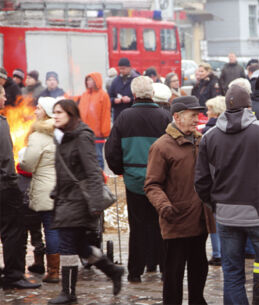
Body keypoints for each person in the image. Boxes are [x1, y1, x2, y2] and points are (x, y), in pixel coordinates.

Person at [48, 99, 124, 304]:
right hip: (65, 198)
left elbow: (92, 172)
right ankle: (113, 270)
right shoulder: (62, 136)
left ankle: (68, 292)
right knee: (80, 245)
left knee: (66, 245)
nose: (55, 115)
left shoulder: (82, 136)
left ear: (71, 114)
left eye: (59, 112)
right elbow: (63, 169)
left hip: (79, 200)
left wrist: (96, 204)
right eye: (54, 112)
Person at [144, 96, 215, 305]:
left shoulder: (200, 141)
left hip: (200, 218)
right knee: (173, 273)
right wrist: (164, 206)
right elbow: (152, 184)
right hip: (176, 219)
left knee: (199, 267)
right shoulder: (161, 147)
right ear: (177, 117)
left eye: (197, 115)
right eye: (193, 115)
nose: (197, 119)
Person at [195, 84, 259, 305]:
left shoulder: (209, 137)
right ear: (249, 106)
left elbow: (201, 182)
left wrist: (215, 204)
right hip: (255, 213)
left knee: (232, 274)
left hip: (225, 214)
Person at [105, 76, 172, 283]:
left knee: (138, 226)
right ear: (152, 93)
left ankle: (135, 271)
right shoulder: (164, 117)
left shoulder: (124, 117)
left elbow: (112, 150)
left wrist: (120, 170)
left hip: (134, 180)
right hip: (161, 181)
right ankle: (163, 268)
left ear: (133, 94)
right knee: (161, 224)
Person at [0, 84, 41, 289]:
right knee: (13, 231)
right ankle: (14, 275)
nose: (5, 99)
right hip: (5, 185)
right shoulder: (0, 123)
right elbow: (6, 157)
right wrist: (11, 182)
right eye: (2, 95)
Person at [20, 96, 60, 283]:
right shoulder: (61, 131)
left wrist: (22, 160)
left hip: (44, 188)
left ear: (44, 111)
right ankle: (57, 269)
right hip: (60, 187)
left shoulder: (38, 135)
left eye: (38, 108)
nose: (34, 111)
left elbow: (27, 164)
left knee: (49, 229)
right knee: (56, 229)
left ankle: (53, 271)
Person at [202, 96, 226, 266]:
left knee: (215, 219)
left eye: (209, 109)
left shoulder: (207, 132)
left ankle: (217, 252)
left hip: (213, 182)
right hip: (227, 181)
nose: (206, 112)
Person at [78, 72, 111, 170]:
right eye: (87, 80)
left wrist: (104, 131)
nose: (88, 82)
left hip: (97, 134)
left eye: (91, 80)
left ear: (96, 81)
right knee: (85, 156)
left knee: (98, 157)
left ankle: (100, 178)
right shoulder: (84, 95)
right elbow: (80, 112)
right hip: (84, 131)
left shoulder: (103, 96)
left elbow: (106, 114)